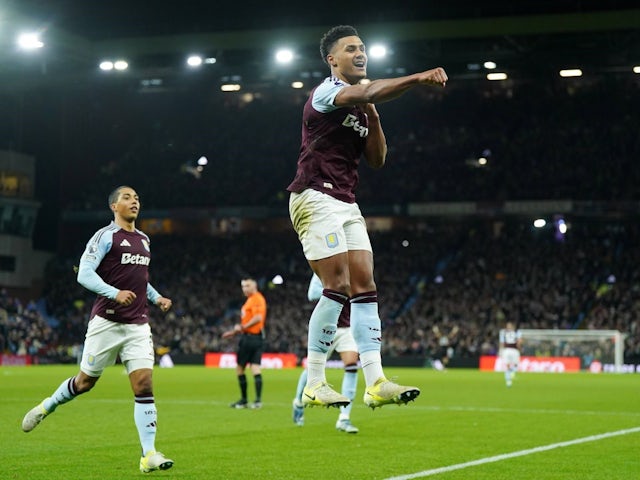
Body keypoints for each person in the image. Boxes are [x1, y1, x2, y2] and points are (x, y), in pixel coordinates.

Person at [287, 24, 448, 409]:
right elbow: (370, 89)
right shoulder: (326, 92)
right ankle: (314, 381)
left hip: (345, 199)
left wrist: (373, 116)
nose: (360, 53)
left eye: (362, 47)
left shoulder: (362, 105)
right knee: (337, 283)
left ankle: (375, 381)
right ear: (333, 59)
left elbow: (376, 159)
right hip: (314, 195)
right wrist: (417, 78)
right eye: (351, 49)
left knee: (365, 285)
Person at [21, 185, 174, 473]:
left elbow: (141, 279)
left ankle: (149, 454)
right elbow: (85, 273)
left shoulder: (144, 239)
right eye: (127, 197)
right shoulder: (105, 236)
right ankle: (46, 406)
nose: (134, 202)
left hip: (138, 324)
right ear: (114, 206)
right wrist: (114, 292)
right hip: (107, 322)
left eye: (137, 198)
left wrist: (156, 297)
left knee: (144, 384)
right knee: (84, 383)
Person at [292, 273, 359, 433]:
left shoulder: (354, 269)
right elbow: (312, 294)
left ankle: (344, 418)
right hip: (325, 327)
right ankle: (299, 402)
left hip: (347, 328)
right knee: (312, 369)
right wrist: (340, 288)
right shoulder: (323, 270)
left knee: (351, 367)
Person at [222, 277, 267, 409]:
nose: (245, 289)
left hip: (250, 338)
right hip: (255, 337)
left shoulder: (257, 299)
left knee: (240, 368)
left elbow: (258, 318)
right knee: (255, 367)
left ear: (255, 286)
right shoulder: (251, 300)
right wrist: (234, 332)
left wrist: (241, 328)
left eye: (247, 286)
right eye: (243, 286)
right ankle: (257, 401)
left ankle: (244, 400)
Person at [499, 321, 522, 387]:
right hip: (513, 349)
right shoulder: (517, 332)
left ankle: (509, 377)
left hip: (507, 350)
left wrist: (501, 350)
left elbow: (502, 342)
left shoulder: (503, 332)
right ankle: (510, 376)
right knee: (514, 364)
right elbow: (519, 341)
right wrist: (519, 348)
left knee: (509, 364)